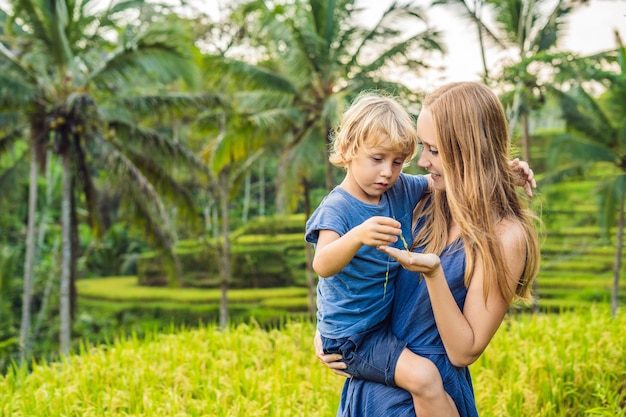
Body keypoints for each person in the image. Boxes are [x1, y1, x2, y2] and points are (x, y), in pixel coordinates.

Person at [315, 81, 541, 416]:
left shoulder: (506, 236)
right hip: (372, 388)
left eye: (433, 150)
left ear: (469, 152)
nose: (421, 162)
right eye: (423, 147)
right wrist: (327, 331)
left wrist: (434, 273)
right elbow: (351, 270)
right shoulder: (424, 203)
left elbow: (464, 351)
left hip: (430, 394)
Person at [305, 91, 461, 416]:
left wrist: (505, 172)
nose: (387, 172)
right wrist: (357, 236)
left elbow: (451, 180)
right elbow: (322, 263)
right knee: (426, 378)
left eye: (398, 162)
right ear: (348, 149)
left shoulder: (398, 188)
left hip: (382, 322)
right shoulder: (338, 208)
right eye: (377, 159)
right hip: (354, 336)